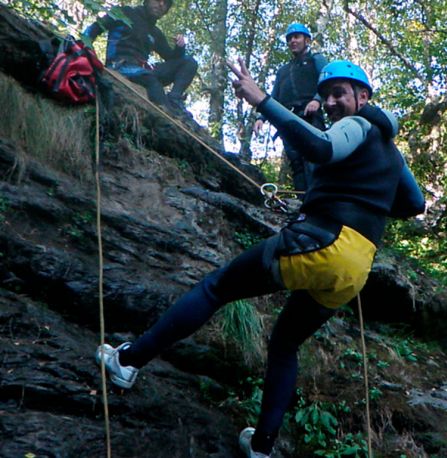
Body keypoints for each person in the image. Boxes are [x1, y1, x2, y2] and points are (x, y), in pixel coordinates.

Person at [96, 58, 425, 458]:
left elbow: (321, 148)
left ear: (363, 96)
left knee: (216, 288)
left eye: (340, 93)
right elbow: (413, 203)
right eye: (326, 95)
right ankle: (262, 447)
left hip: (321, 241)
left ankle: (127, 362)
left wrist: (262, 100)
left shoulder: (357, 125)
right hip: (356, 267)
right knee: (285, 343)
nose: (332, 102)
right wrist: (359, 196)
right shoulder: (391, 150)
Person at [82, 0, 198, 117]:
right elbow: (94, 29)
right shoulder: (124, 13)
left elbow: (172, 58)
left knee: (189, 62)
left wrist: (180, 47)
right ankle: (166, 113)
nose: (161, 4)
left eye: (166, 4)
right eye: (158, 0)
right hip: (119, 65)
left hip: (143, 69)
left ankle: (174, 99)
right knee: (152, 81)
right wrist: (86, 53)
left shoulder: (155, 33)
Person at [254, 23, 327, 193]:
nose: (292, 41)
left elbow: (327, 81)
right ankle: (303, 205)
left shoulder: (316, 59)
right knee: (296, 164)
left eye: (296, 37)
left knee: (313, 161)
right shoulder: (283, 71)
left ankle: (318, 204)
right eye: (290, 39)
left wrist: (317, 100)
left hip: (310, 117)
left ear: (306, 40)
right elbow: (274, 96)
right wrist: (261, 117)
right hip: (288, 121)